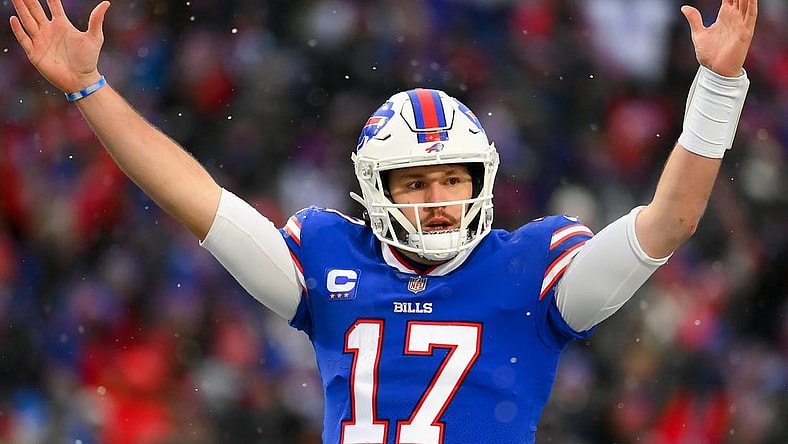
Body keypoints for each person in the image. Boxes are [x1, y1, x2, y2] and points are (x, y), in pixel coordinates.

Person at [9, 0, 757, 442]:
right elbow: (194, 198)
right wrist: (91, 90)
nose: (438, 195)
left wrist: (719, 86)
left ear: (483, 178)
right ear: (375, 190)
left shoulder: (534, 270)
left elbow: (672, 222)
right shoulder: (330, 258)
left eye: (453, 176)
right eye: (417, 180)